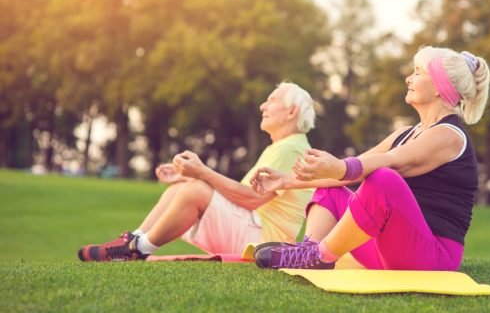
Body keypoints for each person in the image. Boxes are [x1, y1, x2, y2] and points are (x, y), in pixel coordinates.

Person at [250, 46, 490, 271]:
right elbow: (353, 170)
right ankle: (310, 253)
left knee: (383, 178)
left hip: (433, 257)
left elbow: (394, 161)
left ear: (440, 86)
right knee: (331, 188)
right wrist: (284, 182)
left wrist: (338, 167)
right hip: (388, 248)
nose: (408, 78)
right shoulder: (406, 133)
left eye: (418, 73)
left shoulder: (449, 136)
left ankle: (316, 255)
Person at [78, 82, 317, 262]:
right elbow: (242, 194)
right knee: (185, 187)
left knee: (194, 190)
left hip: (265, 243)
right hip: (256, 230)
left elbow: (250, 199)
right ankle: (134, 240)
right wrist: (189, 175)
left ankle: (139, 248)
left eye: (272, 100)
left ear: (291, 111)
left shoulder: (291, 149)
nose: (263, 106)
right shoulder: (285, 146)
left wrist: (201, 173)